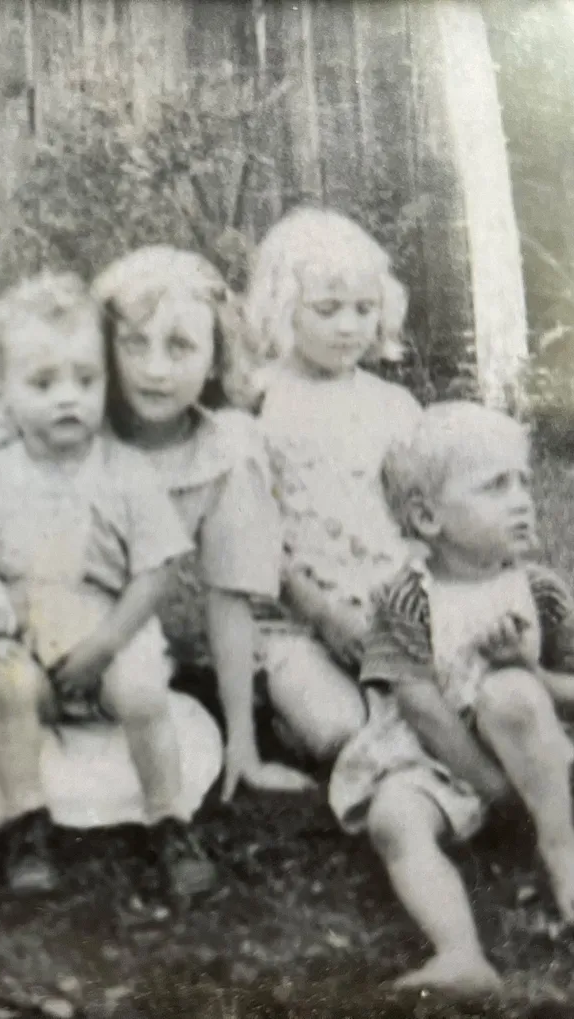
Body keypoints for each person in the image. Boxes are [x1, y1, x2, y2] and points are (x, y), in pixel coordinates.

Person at [0, 247, 298, 826]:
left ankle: (146, 795)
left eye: (180, 346)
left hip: (115, 635)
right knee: (6, 740)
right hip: (12, 625)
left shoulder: (224, 451)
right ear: (104, 344)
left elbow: (229, 597)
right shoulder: (56, 398)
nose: (155, 369)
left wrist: (242, 745)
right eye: (133, 344)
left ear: (214, 359)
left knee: (138, 720)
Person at [328, 401, 574, 993]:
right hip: (427, 758)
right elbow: (421, 708)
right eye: (494, 486)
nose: (520, 500)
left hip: (523, 752)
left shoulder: (539, 590)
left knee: (511, 691)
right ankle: (459, 953)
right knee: (393, 820)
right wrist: (488, 786)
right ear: (427, 517)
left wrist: (532, 669)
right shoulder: (406, 598)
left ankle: (561, 848)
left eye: (522, 482)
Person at [0, 271, 213, 896]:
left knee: (144, 692)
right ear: (0, 393)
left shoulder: (125, 471)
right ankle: (26, 819)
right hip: (26, 636)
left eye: (86, 380)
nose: (69, 398)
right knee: (8, 686)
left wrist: (105, 645)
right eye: (43, 383)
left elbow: (157, 571)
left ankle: (168, 818)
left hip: (109, 633)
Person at [242, 207, 424, 765]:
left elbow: (421, 515)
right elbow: (250, 531)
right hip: (295, 614)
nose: (349, 326)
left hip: (386, 608)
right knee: (338, 731)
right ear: (282, 308)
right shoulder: (261, 402)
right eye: (327, 309)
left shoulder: (393, 406)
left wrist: (404, 602)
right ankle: (291, 711)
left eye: (364, 310)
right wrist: (321, 613)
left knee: (446, 702)